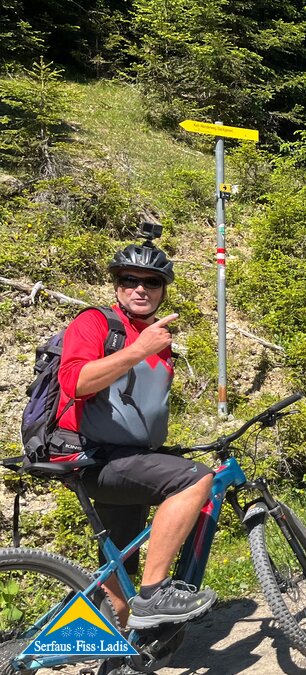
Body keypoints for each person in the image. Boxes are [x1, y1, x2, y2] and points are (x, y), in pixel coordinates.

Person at [53, 236, 217, 629]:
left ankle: (96, 655)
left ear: (163, 290)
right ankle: (155, 594)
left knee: (116, 579)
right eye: (129, 279)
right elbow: (75, 384)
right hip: (93, 457)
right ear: (116, 286)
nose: (140, 288)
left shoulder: (157, 341)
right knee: (195, 479)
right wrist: (139, 349)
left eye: (152, 281)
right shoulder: (96, 323)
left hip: (125, 459)